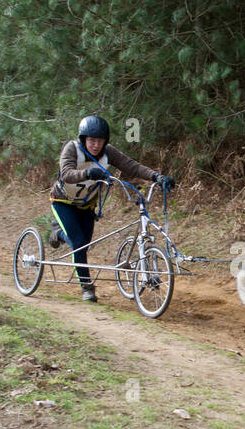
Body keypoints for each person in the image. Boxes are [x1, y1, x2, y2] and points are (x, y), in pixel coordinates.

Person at [49, 115, 175, 301]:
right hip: (63, 201)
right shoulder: (72, 148)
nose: (95, 145)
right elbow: (66, 173)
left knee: (84, 245)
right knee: (79, 244)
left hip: (87, 206)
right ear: (83, 139)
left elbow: (131, 166)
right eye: (91, 140)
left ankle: (58, 234)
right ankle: (86, 287)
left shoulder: (109, 152)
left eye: (99, 141)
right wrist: (87, 172)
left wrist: (157, 176)